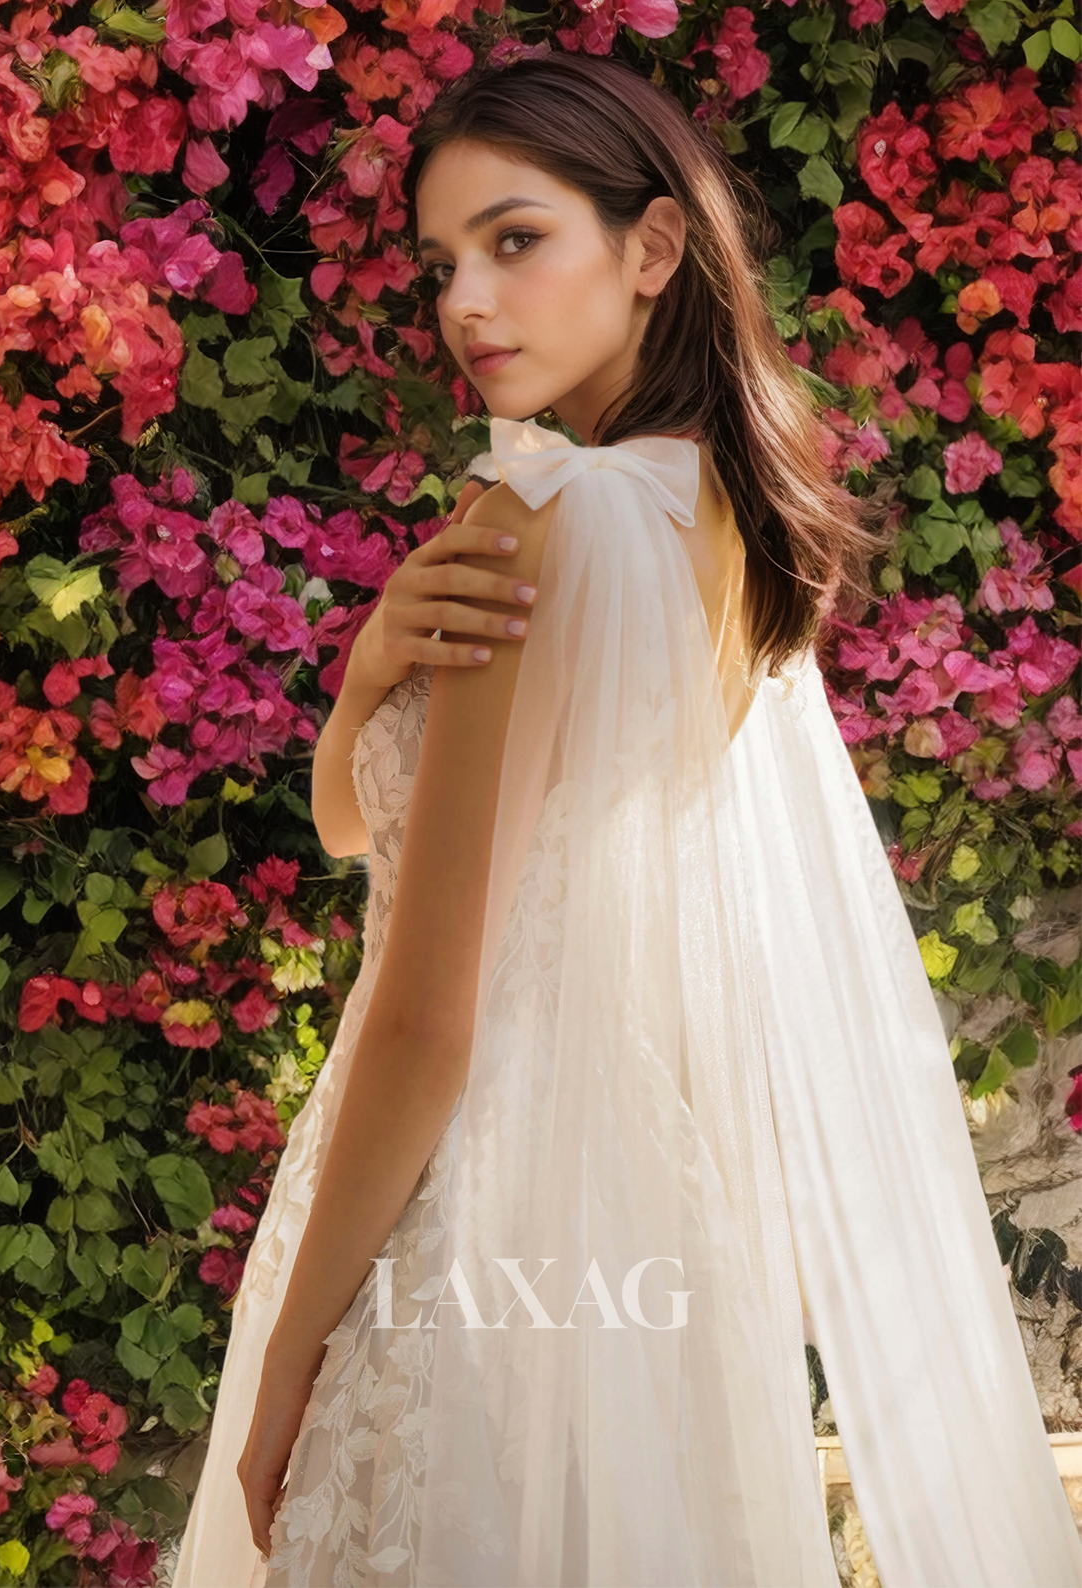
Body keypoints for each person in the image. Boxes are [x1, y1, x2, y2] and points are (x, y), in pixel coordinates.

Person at [172, 52, 1082, 1588]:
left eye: (516, 240)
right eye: (442, 263)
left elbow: (428, 1018)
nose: (468, 302)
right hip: (641, 1225)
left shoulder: (540, 515)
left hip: (464, 1225)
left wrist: (286, 1363)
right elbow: (362, 831)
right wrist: (369, 670)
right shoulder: (714, 518)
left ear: (654, 246)